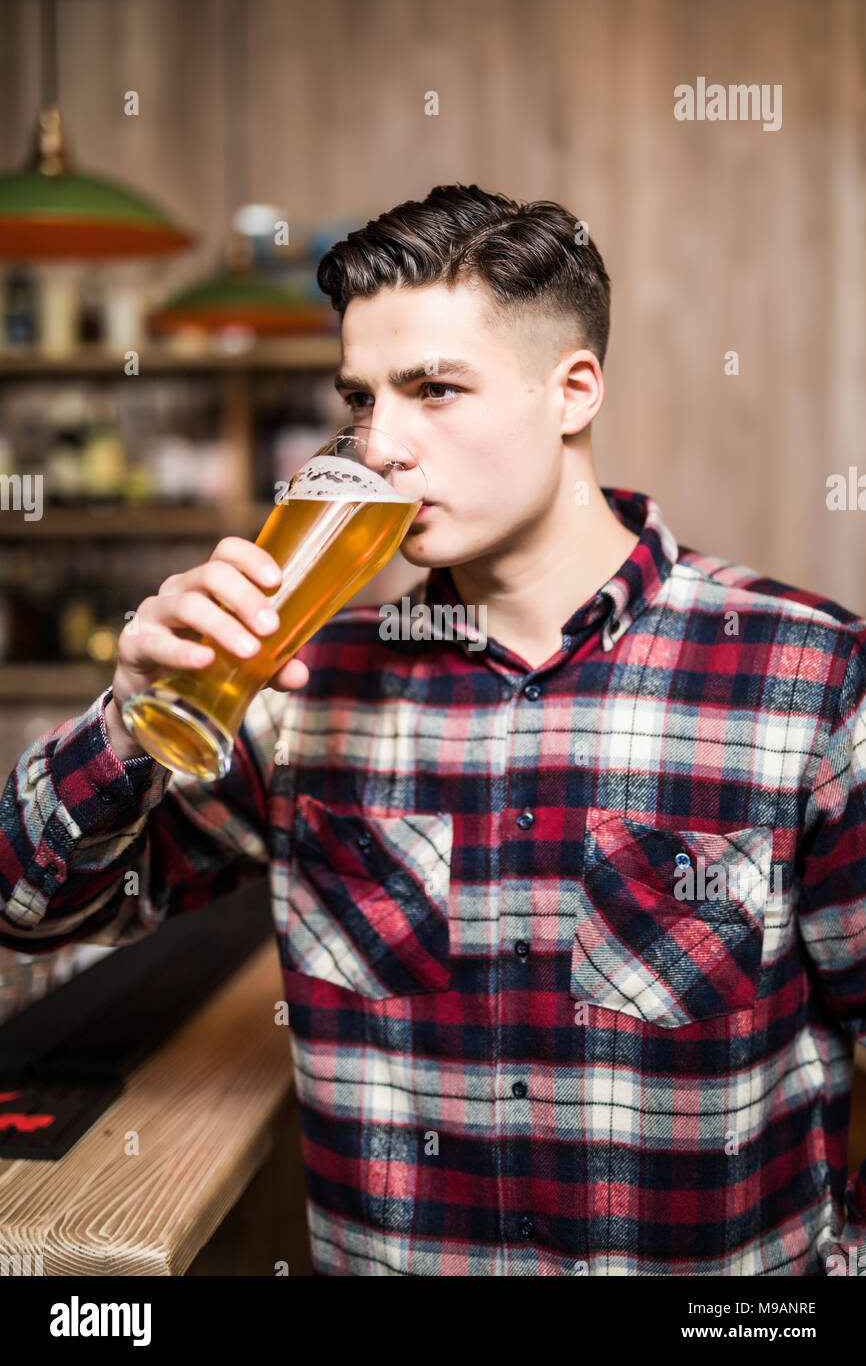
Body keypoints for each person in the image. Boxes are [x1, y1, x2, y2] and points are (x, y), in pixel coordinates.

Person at [1, 183, 864, 1277]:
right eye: (360, 400)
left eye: (433, 389)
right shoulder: (302, 688)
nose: (381, 446)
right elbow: (27, 907)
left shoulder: (803, 670)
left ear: (572, 392)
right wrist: (128, 719)